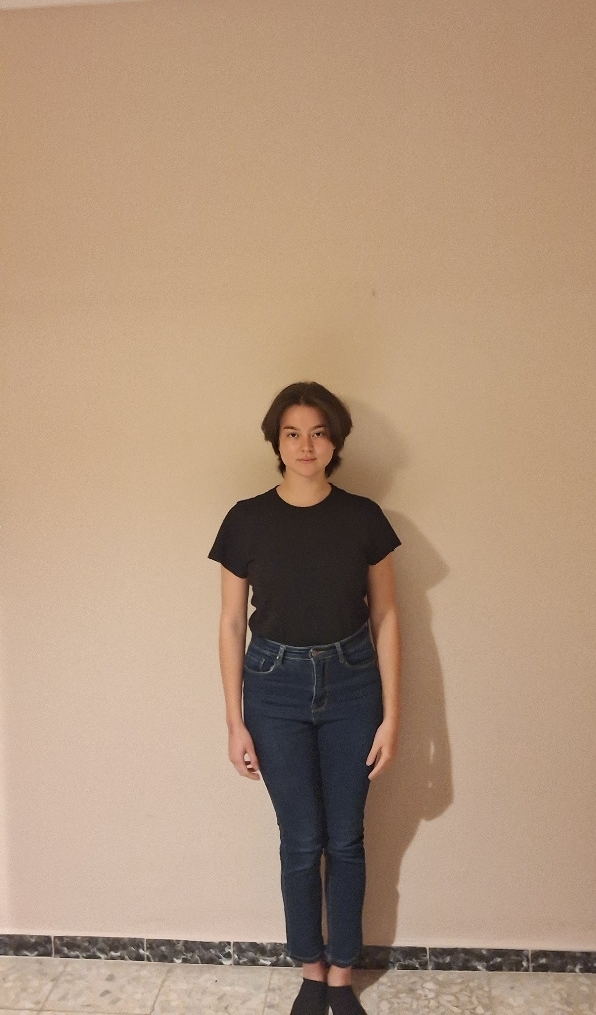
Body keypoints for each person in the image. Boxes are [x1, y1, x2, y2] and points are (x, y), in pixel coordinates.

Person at [209, 382, 401, 1015]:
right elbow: (231, 624)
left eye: (318, 432)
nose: (306, 445)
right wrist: (234, 721)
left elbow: (387, 617)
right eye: (292, 433)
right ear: (277, 441)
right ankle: (311, 973)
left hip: (353, 685)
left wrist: (393, 717)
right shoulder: (246, 520)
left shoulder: (363, 518)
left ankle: (342, 975)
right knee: (300, 841)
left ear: (335, 441)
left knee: (345, 838)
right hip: (273, 688)